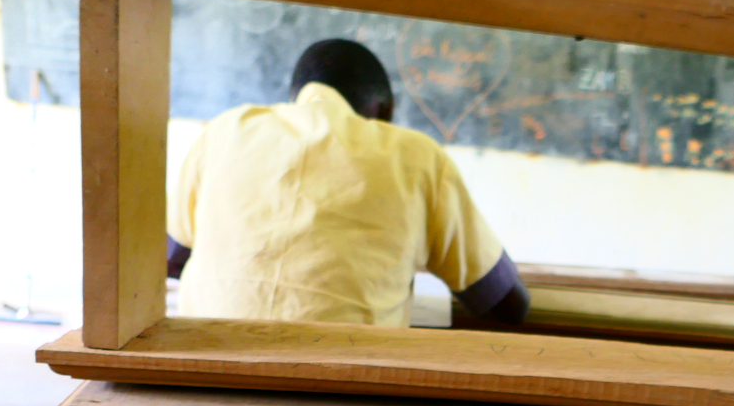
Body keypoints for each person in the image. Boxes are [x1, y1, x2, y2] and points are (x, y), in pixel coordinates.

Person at [167, 38, 529, 327]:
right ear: (385, 113)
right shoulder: (416, 157)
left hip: (204, 378)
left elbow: (172, 259)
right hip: (342, 396)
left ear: (294, 97)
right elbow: (503, 303)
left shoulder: (226, 130)